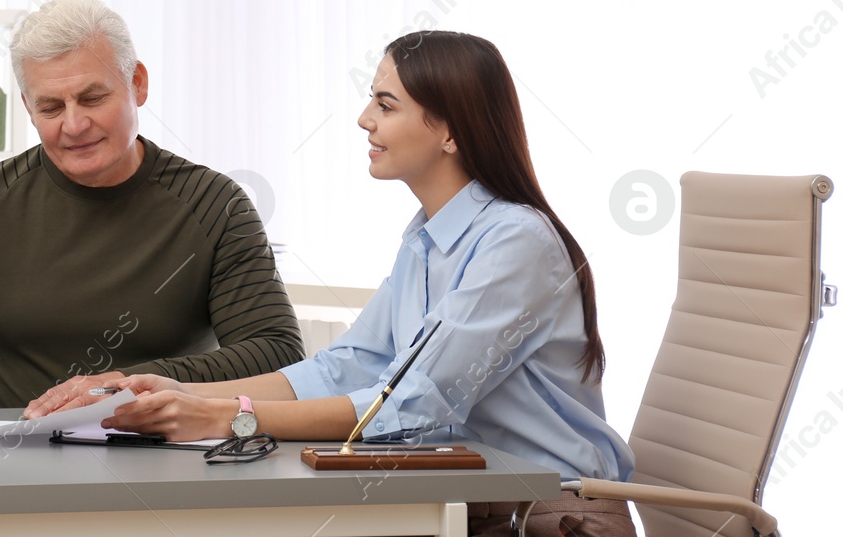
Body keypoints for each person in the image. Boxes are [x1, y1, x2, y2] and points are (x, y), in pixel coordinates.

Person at [95, 31, 637, 537]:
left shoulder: (515, 242)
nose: (363, 119)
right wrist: (179, 392)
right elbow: (348, 364)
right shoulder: (425, 239)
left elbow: (416, 403)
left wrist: (225, 417)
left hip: (553, 514)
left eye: (385, 104)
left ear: (449, 131)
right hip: (469, 498)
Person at [0, 0, 303, 412]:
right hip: (6, 475)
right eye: (51, 107)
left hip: (169, 468)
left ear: (138, 84)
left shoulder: (215, 207)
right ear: (27, 107)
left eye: (92, 98)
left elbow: (276, 354)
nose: (74, 125)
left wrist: (128, 386)